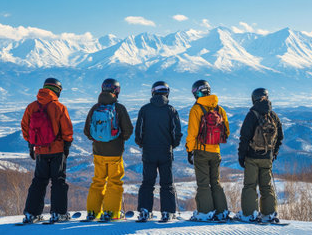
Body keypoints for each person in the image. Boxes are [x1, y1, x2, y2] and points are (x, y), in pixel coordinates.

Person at [21, 77, 73, 224]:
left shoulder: (32, 107)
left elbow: (25, 126)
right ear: (57, 90)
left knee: (38, 182)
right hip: (57, 150)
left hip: (40, 151)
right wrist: (67, 146)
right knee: (59, 182)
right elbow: (67, 129)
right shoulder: (59, 107)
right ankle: (58, 213)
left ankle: (31, 214)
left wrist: (31, 145)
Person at [83, 78, 133, 221]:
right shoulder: (119, 108)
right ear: (116, 91)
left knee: (97, 181)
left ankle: (92, 212)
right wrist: (118, 139)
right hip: (115, 153)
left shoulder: (95, 108)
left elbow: (87, 131)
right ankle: (111, 213)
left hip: (98, 152)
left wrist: (98, 139)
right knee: (114, 182)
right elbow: (128, 130)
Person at [135, 81, 183, 222]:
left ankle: (145, 211)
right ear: (167, 92)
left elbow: (138, 132)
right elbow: (177, 132)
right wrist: (172, 145)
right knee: (167, 183)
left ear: (153, 92)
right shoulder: (171, 110)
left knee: (147, 183)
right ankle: (167, 212)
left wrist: (142, 144)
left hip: (148, 151)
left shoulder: (144, 109)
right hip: (165, 151)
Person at [237, 88, 284, 223]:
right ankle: (269, 214)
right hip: (267, 158)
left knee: (250, 186)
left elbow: (244, 137)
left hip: (252, 157)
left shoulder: (252, 115)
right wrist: (273, 152)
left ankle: (249, 214)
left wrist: (241, 156)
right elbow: (280, 136)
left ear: (254, 99)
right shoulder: (273, 115)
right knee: (266, 186)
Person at [186, 80, 230, 221]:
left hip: (201, 151)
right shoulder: (219, 109)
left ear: (198, 92)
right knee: (216, 182)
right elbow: (227, 131)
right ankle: (221, 211)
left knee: (204, 183)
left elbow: (192, 133)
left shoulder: (196, 109)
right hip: (216, 152)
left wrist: (189, 149)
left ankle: (205, 213)